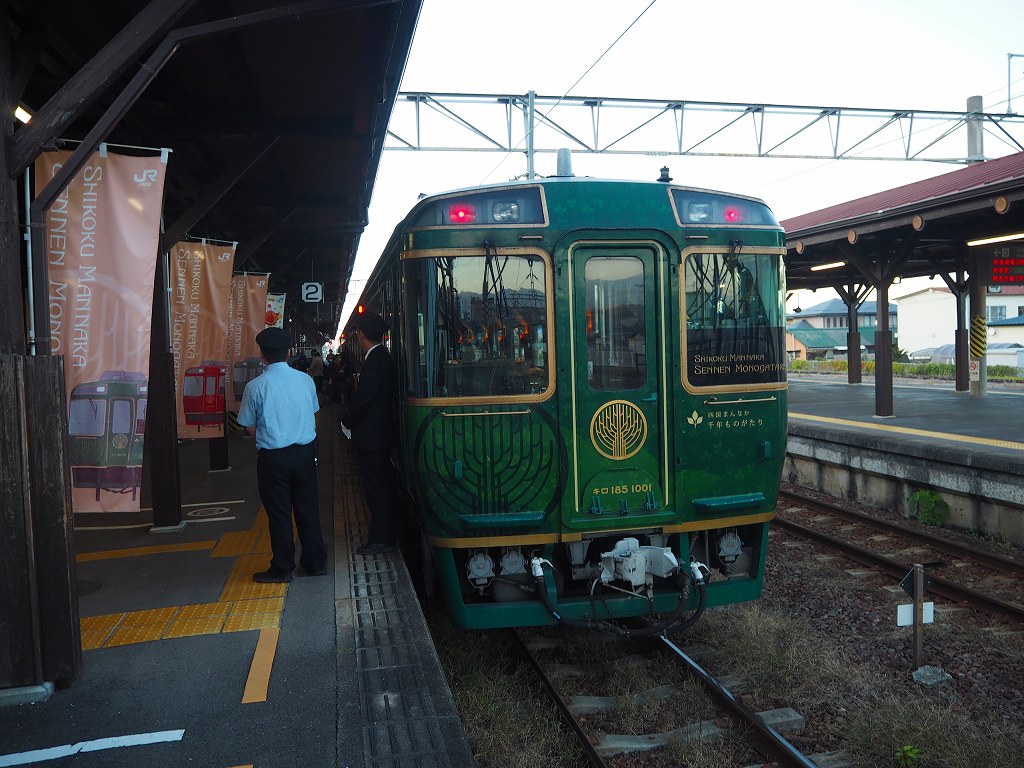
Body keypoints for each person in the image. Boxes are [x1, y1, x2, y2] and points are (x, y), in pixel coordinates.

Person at [237, 327, 327, 582]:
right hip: (305, 455)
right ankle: (315, 563)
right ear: (288, 352)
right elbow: (314, 413)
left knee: (279, 513)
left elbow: (249, 426)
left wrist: (272, 434)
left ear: (262, 355)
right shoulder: (305, 380)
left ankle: (282, 568)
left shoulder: (255, 387)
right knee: (308, 509)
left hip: (273, 460)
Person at [340, 312, 399, 556]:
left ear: (362, 334)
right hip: (379, 436)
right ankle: (386, 534)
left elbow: (364, 398)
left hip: (373, 438)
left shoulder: (375, 360)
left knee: (376, 488)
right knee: (381, 485)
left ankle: (380, 538)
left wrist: (346, 420)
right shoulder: (381, 357)